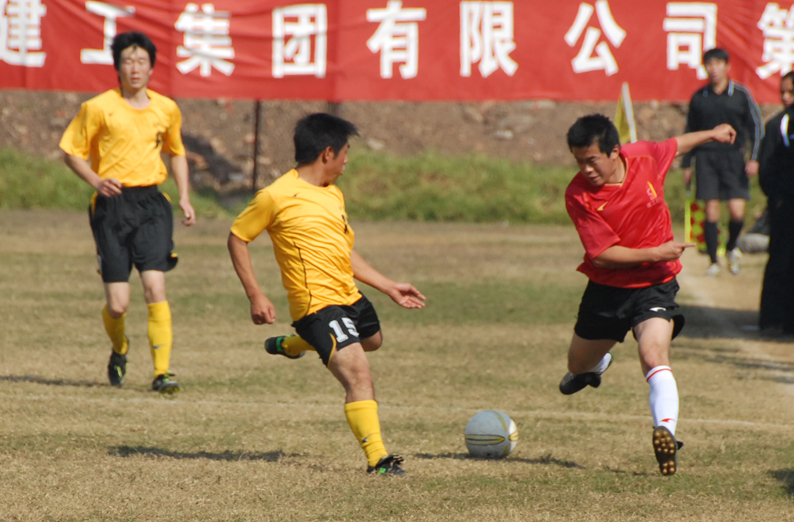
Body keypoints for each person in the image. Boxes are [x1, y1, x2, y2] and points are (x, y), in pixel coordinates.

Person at [227, 113, 425, 475]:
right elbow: (238, 238)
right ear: (328, 153)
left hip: (349, 297)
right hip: (317, 306)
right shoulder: (275, 196)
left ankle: (296, 344)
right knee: (358, 373)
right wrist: (256, 295)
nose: (348, 160)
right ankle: (379, 460)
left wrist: (388, 286)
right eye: (346, 152)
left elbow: (344, 251)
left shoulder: (333, 194)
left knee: (373, 341)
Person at [560, 114, 736, 476]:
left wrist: (712, 133)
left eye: (591, 160)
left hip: (655, 285)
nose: (586, 170)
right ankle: (597, 366)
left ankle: (666, 432)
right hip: (608, 290)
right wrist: (656, 252)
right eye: (579, 162)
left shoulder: (643, 156)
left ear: (614, 151)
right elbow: (602, 255)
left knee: (653, 353)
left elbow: (675, 145)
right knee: (577, 366)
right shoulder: (579, 195)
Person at [59, 31, 195, 393]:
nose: (134, 68)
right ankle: (120, 348)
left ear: (152, 67)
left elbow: (177, 152)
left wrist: (184, 196)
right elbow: (71, 151)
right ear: (117, 67)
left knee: (155, 286)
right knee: (118, 305)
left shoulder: (166, 108)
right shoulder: (98, 107)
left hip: (151, 205)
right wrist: (95, 180)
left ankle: (162, 373)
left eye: (141, 61)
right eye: (127, 61)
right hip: (111, 207)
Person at [682, 48, 764, 276]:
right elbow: (690, 131)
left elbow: (756, 127)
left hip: (734, 158)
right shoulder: (699, 97)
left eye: (718, 63)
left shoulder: (740, 94)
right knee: (711, 212)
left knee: (737, 211)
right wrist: (687, 164)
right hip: (706, 158)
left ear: (727, 67)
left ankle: (730, 247)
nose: (714, 68)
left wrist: (754, 158)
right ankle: (713, 261)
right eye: (709, 64)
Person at [758, 71, 794, 336]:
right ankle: (772, 319)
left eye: (791, 92)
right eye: (782, 92)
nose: (785, 97)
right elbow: (766, 169)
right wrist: (777, 198)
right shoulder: (778, 124)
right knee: (781, 259)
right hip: (785, 205)